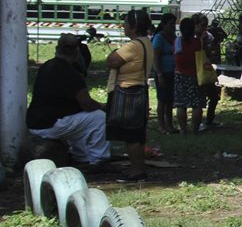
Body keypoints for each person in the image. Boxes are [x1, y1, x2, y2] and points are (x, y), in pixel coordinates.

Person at [26, 34, 111, 169]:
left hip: (35, 122)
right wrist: (104, 106)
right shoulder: (70, 73)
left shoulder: (47, 66)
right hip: (50, 125)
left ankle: (81, 156)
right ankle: (99, 160)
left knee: (79, 121)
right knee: (99, 117)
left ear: (57, 48)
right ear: (77, 53)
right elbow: (87, 104)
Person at [105, 9, 153, 182]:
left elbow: (112, 60)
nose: (123, 26)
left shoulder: (132, 46)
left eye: (125, 23)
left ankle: (136, 170)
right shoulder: (145, 43)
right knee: (138, 134)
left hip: (128, 92)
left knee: (130, 135)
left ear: (133, 27)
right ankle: (138, 168)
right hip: (140, 90)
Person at [173, 16, 206, 134]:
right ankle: (195, 129)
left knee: (181, 104)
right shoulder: (198, 42)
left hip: (180, 74)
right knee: (197, 104)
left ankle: (183, 129)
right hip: (195, 75)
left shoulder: (177, 41)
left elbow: (176, 56)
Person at [193, 14, 223, 129]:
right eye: (202, 25)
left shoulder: (208, 36)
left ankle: (209, 120)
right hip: (195, 71)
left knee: (214, 96)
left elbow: (211, 52)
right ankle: (197, 122)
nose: (205, 28)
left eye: (206, 25)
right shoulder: (191, 39)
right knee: (198, 99)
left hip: (206, 69)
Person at [151, 13, 178, 134]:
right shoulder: (159, 37)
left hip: (173, 72)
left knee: (170, 100)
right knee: (162, 99)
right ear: (164, 24)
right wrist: (159, 74)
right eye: (171, 24)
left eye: (174, 24)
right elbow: (155, 57)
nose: (173, 26)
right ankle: (162, 126)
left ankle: (170, 124)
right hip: (162, 72)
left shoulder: (173, 37)